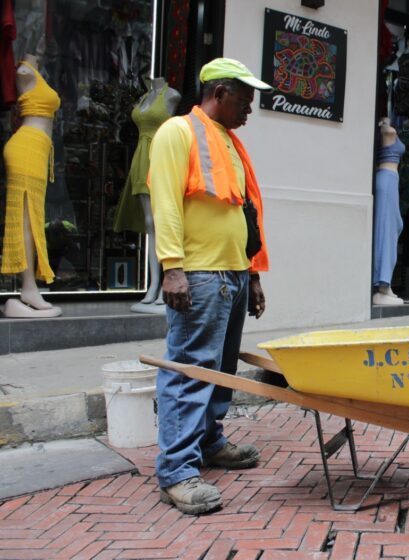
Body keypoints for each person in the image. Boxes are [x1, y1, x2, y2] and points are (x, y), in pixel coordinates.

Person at [148, 58, 271, 515]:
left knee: (219, 370)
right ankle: (177, 471)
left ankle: (210, 440)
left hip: (232, 274)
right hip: (199, 274)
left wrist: (252, 274)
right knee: (189, 369)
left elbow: (245, 213)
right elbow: (165, 202)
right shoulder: (178, 133)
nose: (250, 109)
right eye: (245, 99)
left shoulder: (230, 144)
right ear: (219, 93)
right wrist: (172, 267)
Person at [1, 52, 62, 318]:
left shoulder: (35, 73)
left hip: (36, 149)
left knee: (33, 219)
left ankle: (29, 288)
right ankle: (28, 287)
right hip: (27, 148)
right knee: (27, 219)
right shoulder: (25, 73)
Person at [113, 76, 181, 313]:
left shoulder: (171, 95)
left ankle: (164, 282)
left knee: (161, 220)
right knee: (150, 223)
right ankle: (152, 285)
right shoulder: (144, 96)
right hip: (141, 156)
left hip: (159, 154)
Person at [372, 116, 405, 305]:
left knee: (393, 229)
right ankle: (381, 286)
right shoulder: (386, 129)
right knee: (387, 231)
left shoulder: (387, 129)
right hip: (387, 179)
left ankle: (386, 284)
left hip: (390, 179)